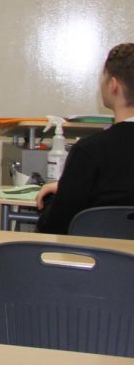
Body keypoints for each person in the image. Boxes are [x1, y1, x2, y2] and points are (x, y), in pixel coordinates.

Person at [36, 43, 134, 234]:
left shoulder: (90, 151)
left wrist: (56, 198)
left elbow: (56, 226)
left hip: (97, 261)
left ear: (113, 85)